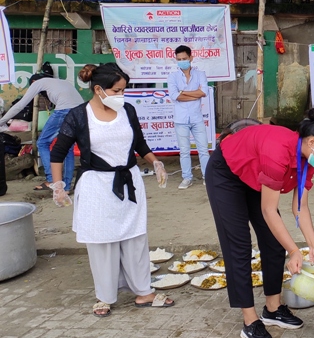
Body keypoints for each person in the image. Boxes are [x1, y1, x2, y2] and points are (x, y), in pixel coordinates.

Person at [205, 104, 314, 338]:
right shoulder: (277, 151)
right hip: (226, 174)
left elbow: (300, 207)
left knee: (273, 242)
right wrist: (294, 250)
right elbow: (269, 211)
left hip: (255, 178)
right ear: (312, 141)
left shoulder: (308, 159)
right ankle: (250, 320)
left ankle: (273, 307)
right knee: (239, 246)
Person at [49, 63, 173, 317]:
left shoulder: (127, 110)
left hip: (129, 182)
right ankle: (105, 296)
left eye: (123, 91)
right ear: (98, 89)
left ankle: (143, 291)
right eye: (116, 91)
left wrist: (155, 162)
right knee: (102, 241)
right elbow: (58, 152)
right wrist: (59, 185)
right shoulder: (78, 115)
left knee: (135, 237)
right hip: (97, 185)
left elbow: (139, 142)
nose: (121, 96)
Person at [0, 75, 84, 191]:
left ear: (34, 82)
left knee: (43, 142)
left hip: (64, 110)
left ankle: (51, 181)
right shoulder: (62, 82)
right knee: (68, 147)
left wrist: (1, 122)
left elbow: (19, 105)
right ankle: (66, 187)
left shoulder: (38, 83)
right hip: (81, 111)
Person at [167, 45, 209, 189]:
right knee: (184, 151)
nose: (182, 61)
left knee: (203, 149)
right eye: (179, 59)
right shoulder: (173, 76)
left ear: (191, 58)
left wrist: (183, 92)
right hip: (181, 120)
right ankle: (187, 178)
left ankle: (207, 176)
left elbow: (204, 93)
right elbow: (174, 96)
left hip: (197, 118)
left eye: (184, 58)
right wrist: (194, 93)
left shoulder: (200, 74)